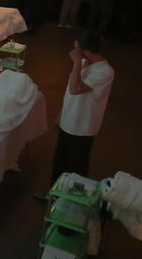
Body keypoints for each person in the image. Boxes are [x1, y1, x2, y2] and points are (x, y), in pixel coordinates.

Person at [43, 32, 114, 197]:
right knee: (60, 163)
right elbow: (70, 93)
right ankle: (53, 195)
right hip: (68, 121)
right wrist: (61, 115)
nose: (73, 53)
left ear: (86, 51)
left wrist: (76, 62)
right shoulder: (82, 63)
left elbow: (75, 89)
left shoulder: (104, 71)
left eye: (77, 50)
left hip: (82, 126)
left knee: (76, 167)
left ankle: (71, 201)